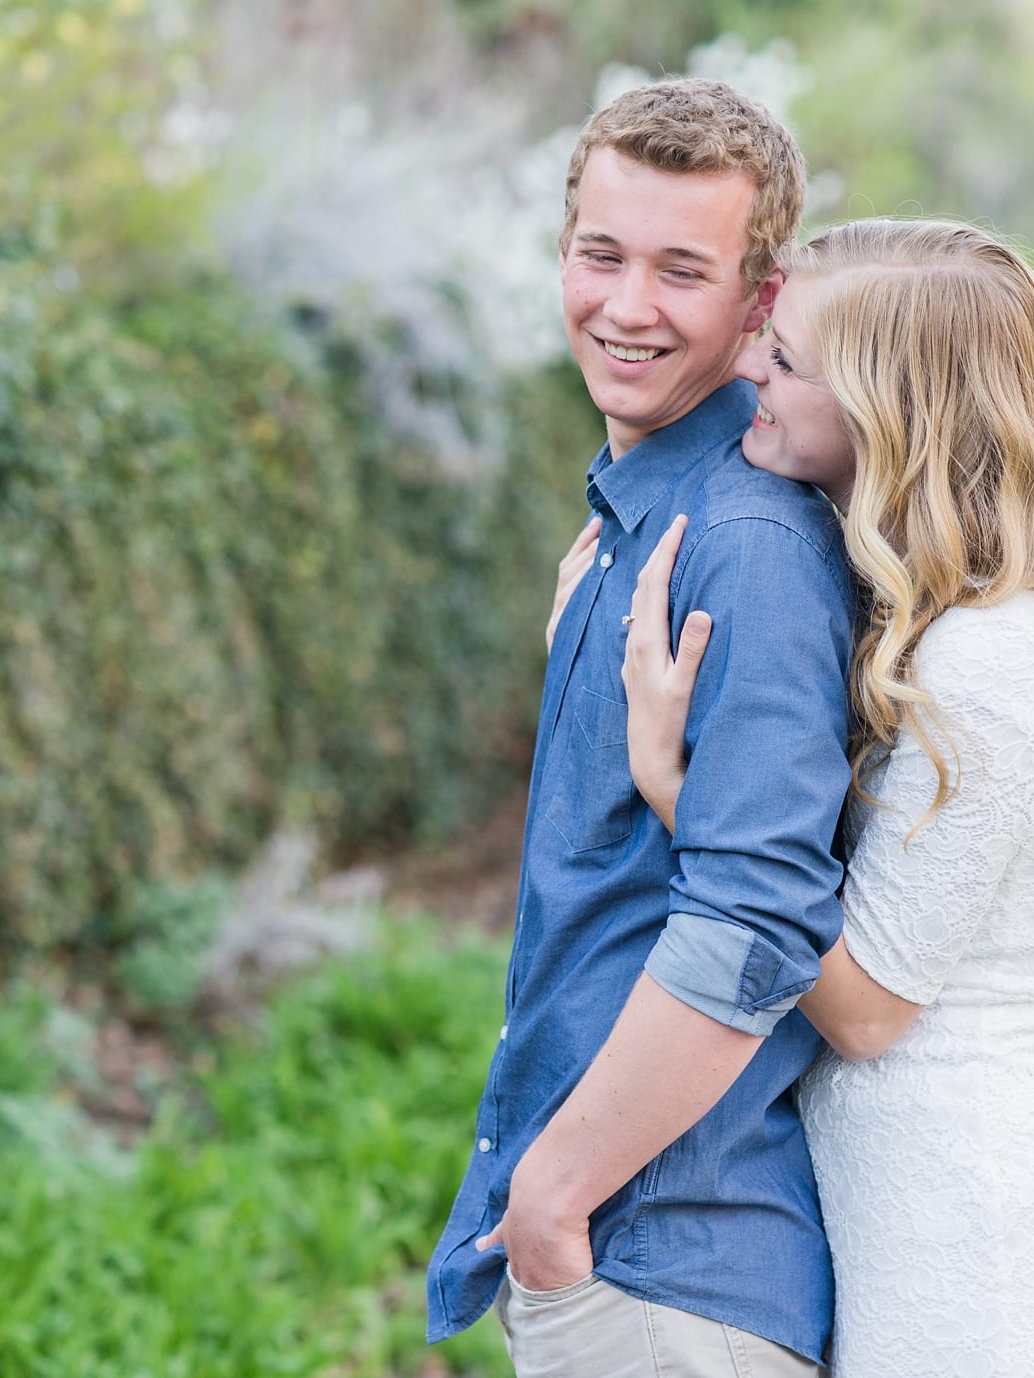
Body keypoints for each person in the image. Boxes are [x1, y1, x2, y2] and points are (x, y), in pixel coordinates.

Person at [617, 218, 1034, 1377]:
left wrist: (676, 787)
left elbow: (870, 1010)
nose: (750, 367)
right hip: (915, 1218)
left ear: (895, 409)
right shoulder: (947, 617)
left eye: (788, 359)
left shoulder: (995, 662)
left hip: (973, 1250)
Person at [425, 79, 852, 1375]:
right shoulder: (637, 520)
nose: (625, 306)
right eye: (602, 254)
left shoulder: (746, 545)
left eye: (683, 270)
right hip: (619, 1272)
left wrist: (554, 1197)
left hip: (668, 1281)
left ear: (760, 299)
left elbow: (756, 917)